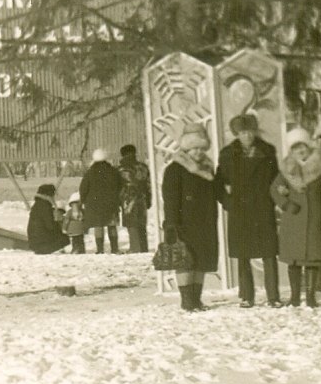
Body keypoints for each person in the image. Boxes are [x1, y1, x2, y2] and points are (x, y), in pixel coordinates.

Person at [216, 113, 281, 308]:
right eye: (243, 132)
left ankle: (273, 296)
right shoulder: (227, 154)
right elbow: (219, 182)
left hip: (262, 208)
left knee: (269, 253)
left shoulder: (268, 151)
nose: (247, 136)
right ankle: (247, 296)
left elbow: (276, 178)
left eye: (250, 131)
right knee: (243, 255)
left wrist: (274, 200)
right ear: (237, 134)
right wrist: (228, 202)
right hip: (240, 210)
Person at [271, 127, 321, 309]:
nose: (300, 150)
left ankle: (310, 296)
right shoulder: (286, 168)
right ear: (291, 150)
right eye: (296, 147)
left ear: (309, 146)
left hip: (314, 221)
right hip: (293, 220)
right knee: (294, 260)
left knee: (312, 259)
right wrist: (285, 204)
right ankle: (294, 297)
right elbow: (274, 189)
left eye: (303, 146)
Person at [161, 122, 220, 312]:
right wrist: (171, 225)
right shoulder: (175, 169)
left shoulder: (207, 169)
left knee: (201, 260)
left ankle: (196, 299)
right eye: (194, 148)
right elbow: (170, 199)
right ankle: (186, 300)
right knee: (185, 261)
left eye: (201, 148)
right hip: (183, 223)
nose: (198, 152)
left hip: (204, 222)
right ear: (186, 148)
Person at [80, 148, 123, 254]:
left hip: (94, 204)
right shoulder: (113, 171)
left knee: (98, 226)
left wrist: (83, 200)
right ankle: (114, 248)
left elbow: (83, 188)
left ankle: (100, 249)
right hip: (111, 203)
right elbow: (120, 186)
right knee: (111, 225)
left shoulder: (90, 172)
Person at [117, 144, 152, 254]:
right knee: (141, 223)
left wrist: (118, 199)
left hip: (128, 198)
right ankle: (143, 247)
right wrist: (149, 198)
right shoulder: (143, 167)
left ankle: (135, 248)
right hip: (142, 197)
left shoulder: (122, 169)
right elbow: (148, 184)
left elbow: (118, 186)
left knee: (131, 223)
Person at [27, 183, 70, 255]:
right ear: (48, 195)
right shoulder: (45, 206)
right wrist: (59, 225)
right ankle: (52, 249)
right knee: (65, 239)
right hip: (41, 242)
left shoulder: (38, 204)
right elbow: (50, 225)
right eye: (53, 194)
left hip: (34, 239)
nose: (54, 197)